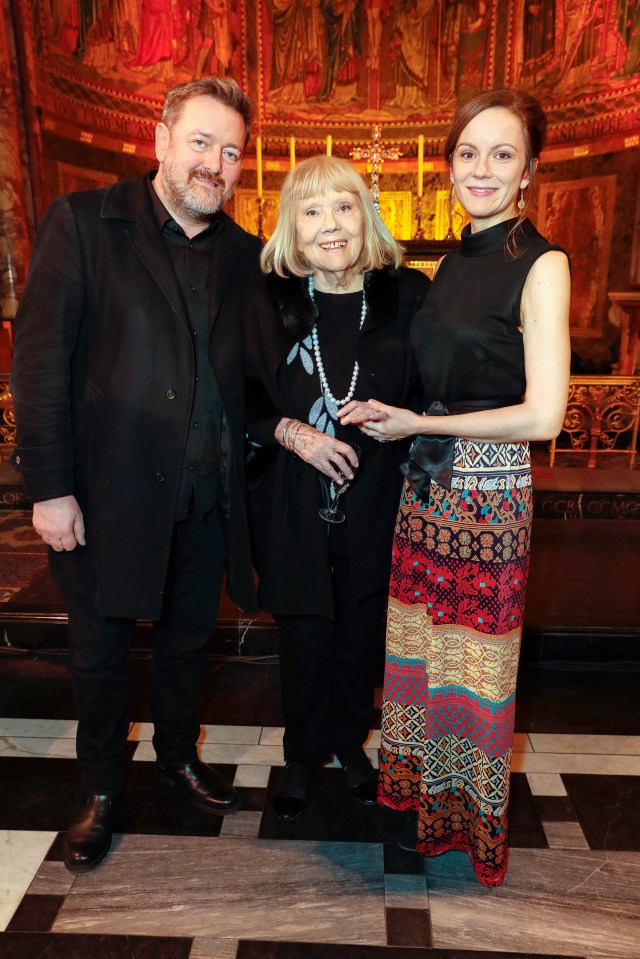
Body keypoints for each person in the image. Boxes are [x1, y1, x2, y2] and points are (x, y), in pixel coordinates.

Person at [10, 77, 262, 873]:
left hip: (204, 501)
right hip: (105, 499)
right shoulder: (85, 223)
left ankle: (178, 757)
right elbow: (40, 363)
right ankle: (101, 788)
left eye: (230, 152)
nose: (214, 164)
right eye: (200, 142)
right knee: (100, 653)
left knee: (189, 643)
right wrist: (49, 487)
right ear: (159, 140)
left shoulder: (246, 254)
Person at [339, 89, 571, 886]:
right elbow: (434, 378)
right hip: (426, 487)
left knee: (473, 665)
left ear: (529, 172)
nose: (482, 169)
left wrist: (422, 427)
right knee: (416, 653)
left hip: (488, 493)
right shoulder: (451, 261)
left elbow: (545, 415)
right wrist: (389, 411)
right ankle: (413, 807)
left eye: (502, 154)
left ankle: (463, 822)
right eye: (468, 153)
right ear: (448, 166)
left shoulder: (542, 264)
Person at [245, 155, 430, 820]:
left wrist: (402, 420)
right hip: (290, 503)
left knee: (359, 632)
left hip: (379, 497)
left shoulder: (407, 296)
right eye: (313, 209)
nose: (331, 225)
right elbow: (237, 403)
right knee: (303, 633)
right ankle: (301, 754)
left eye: (344, 206)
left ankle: (351, 744)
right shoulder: (266, 301)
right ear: (292, 226)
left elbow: (432, 393)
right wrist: (294, 433)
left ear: (366, 216)